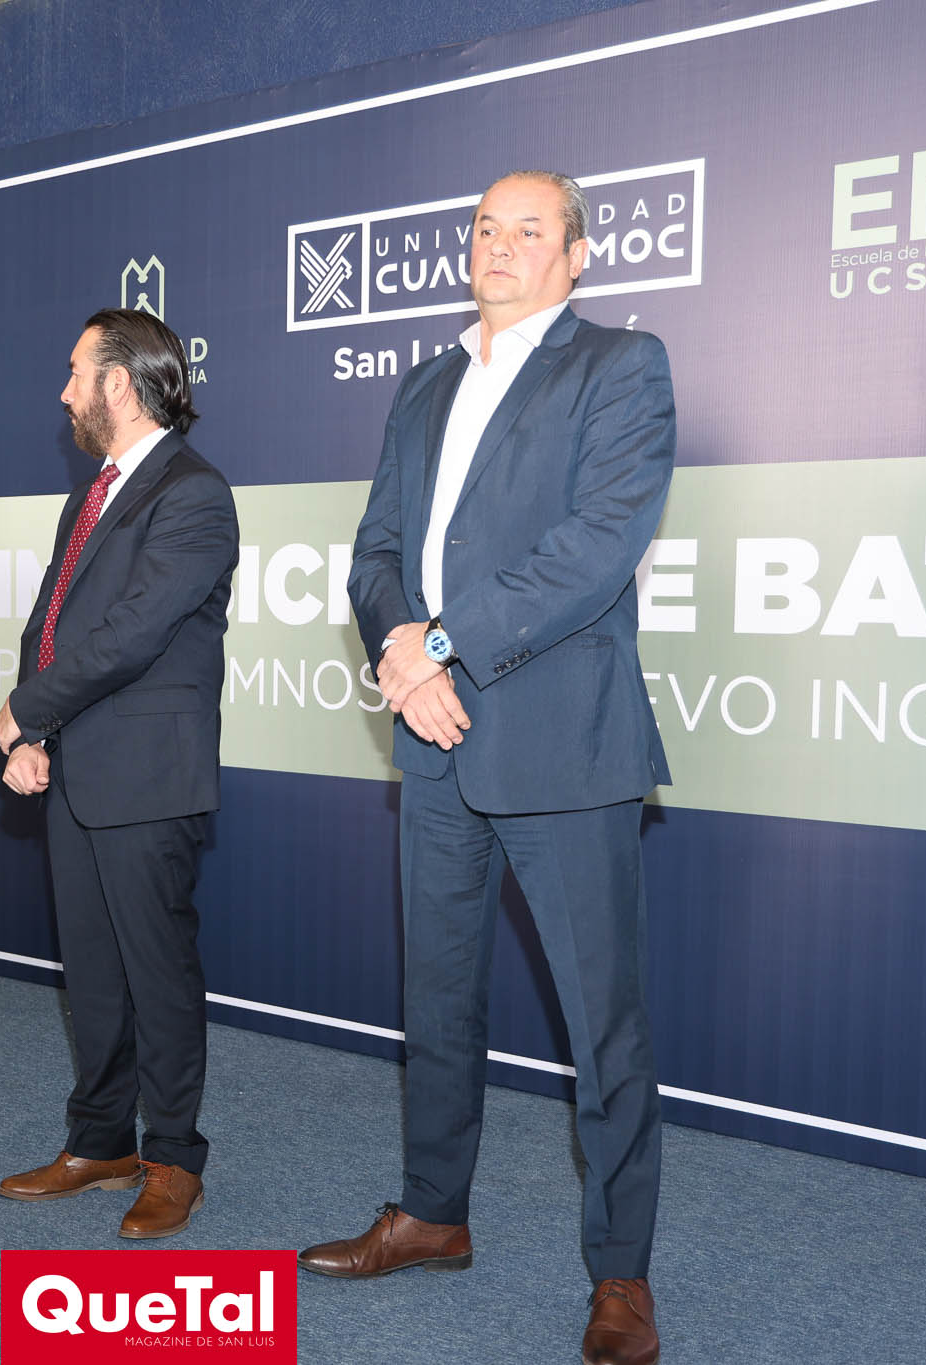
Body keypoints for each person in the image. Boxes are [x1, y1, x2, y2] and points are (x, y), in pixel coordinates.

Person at [299, 171, 676, 1365]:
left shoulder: (619, 365)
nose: (499, 245)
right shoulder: (422, 384)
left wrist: (442, 643)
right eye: (482, 228)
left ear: (575, 254)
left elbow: (595, 548)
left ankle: (619, 1274)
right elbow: (375, 552)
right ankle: (431, 1214)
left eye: (528, 229)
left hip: (560, 743)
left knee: (600, 1028)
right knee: (436, 996)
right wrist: (400, 656)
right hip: (431, 736)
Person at [0, 308, 239, 1239]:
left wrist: (29, 707)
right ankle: (100, 1141)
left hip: (148, 775)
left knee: (156, 972)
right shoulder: (90, 494)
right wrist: (32, 733)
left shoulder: (194, 493)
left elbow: (133, 634)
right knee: (92, 971)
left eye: (75, 374)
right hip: (76, 765)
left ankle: (174, 1158)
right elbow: (52, 621)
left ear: (121, 385)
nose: (63, 394)